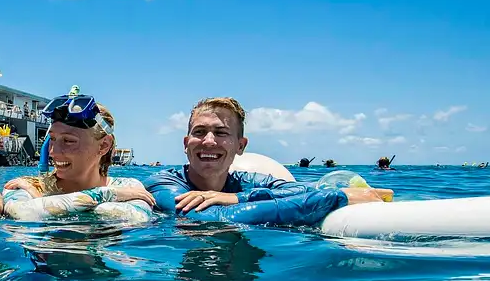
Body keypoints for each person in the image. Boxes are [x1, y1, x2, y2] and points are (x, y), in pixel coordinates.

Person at [145, 97, 391, 226]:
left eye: (221, 133)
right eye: (199, 132)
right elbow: (217, 218)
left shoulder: (245, 183)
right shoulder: (163, 185)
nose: (208, 141)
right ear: (186, 143)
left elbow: (301, 189)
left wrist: (238, 197)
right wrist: (339, 197)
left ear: (241, 146)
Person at [2, 86, 155, 223]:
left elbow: (137, 218)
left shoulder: (129, 186)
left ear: (103, 145)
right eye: (53, 139)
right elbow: (21, 212)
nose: (53, 152)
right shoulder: (27, 185)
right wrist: (106, 194)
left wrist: (43, 205)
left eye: (68, 141)